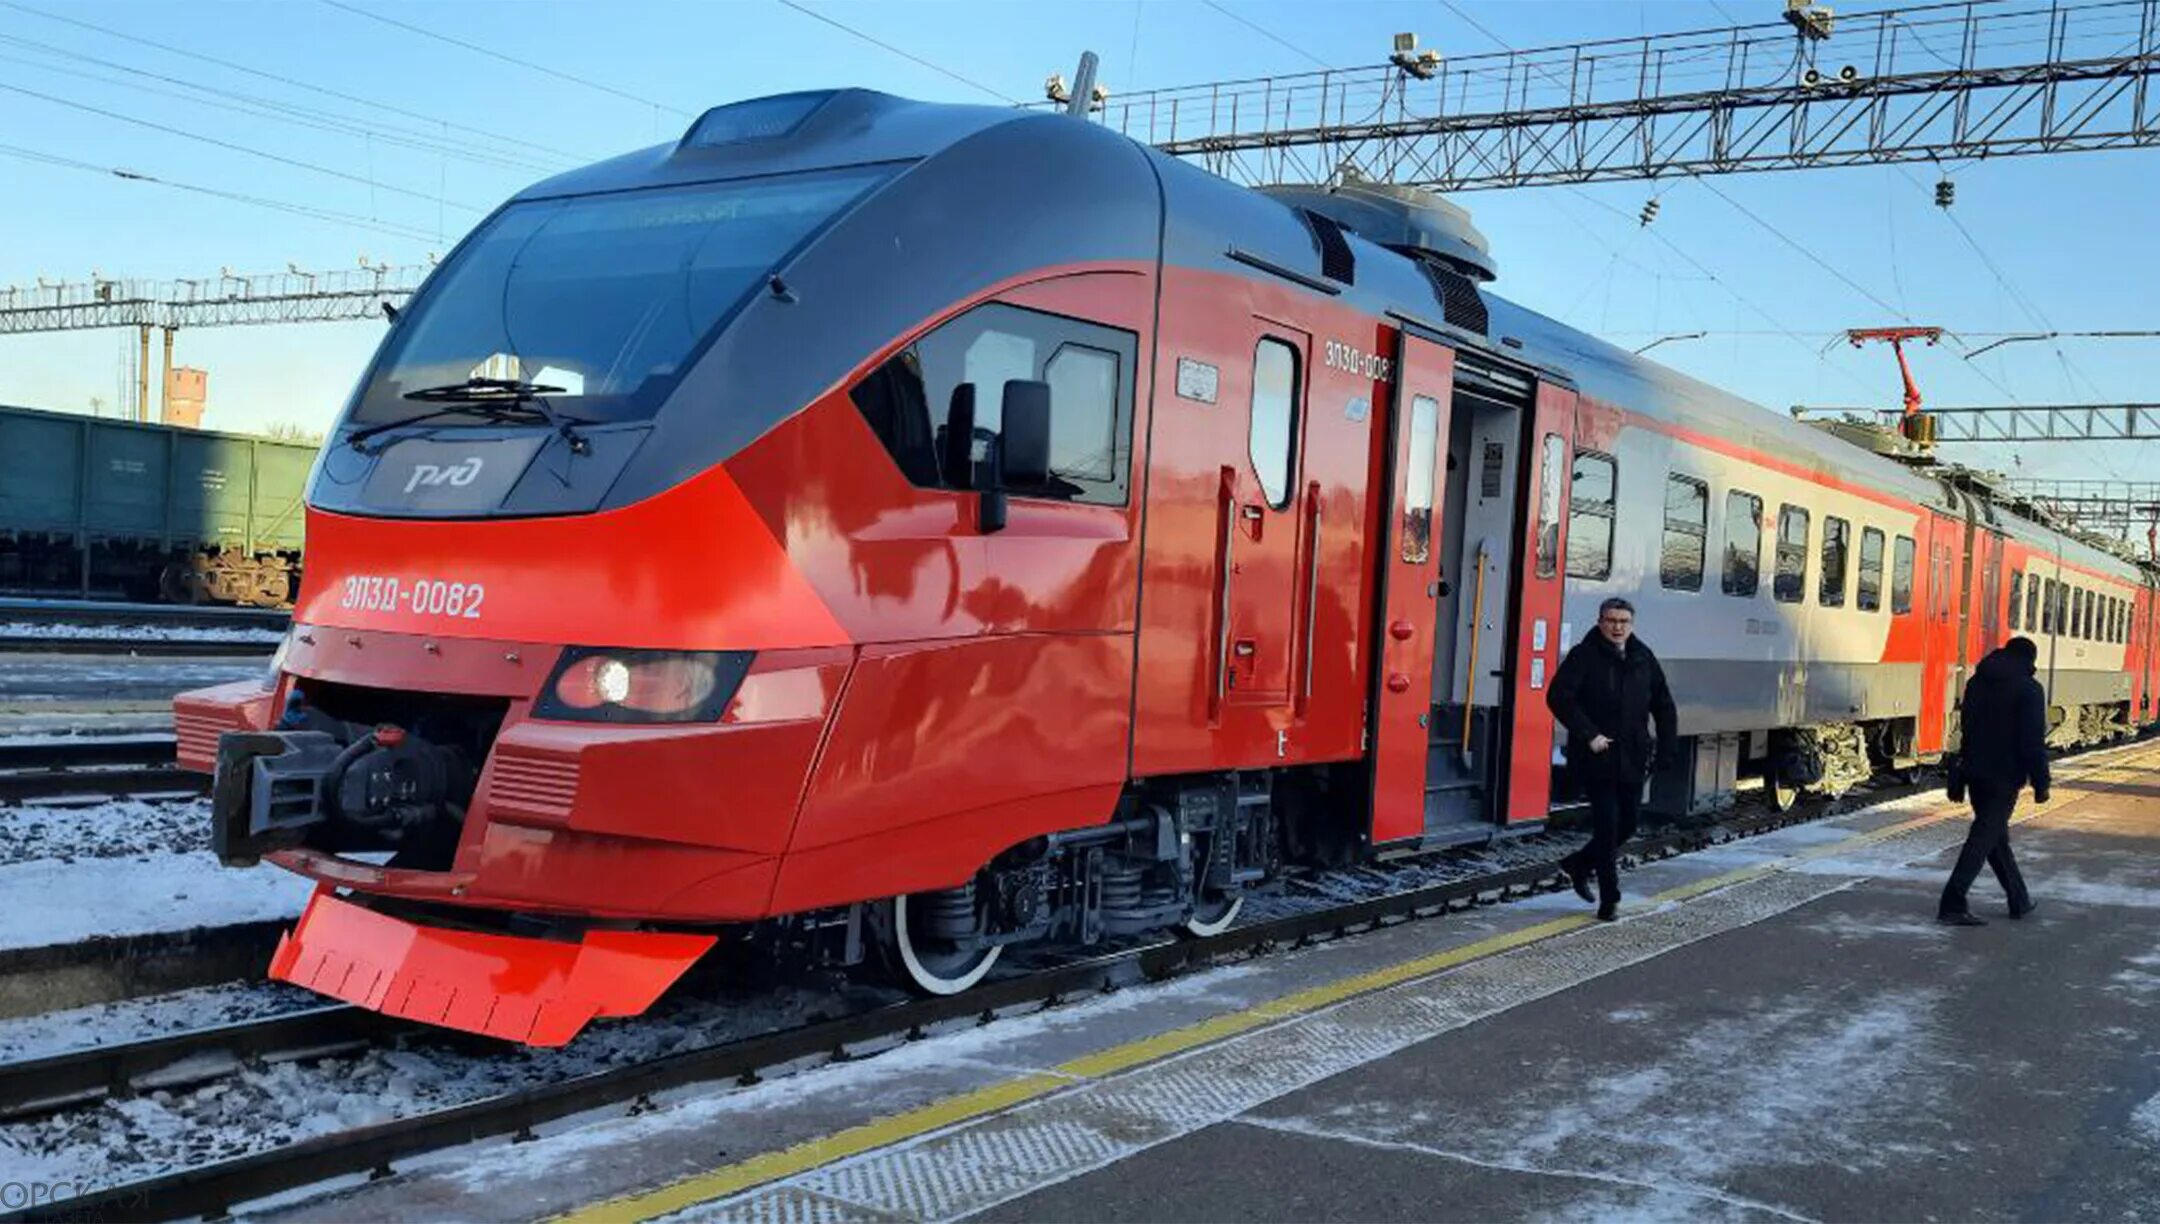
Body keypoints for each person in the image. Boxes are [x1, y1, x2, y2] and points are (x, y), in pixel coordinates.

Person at [1546, 597, 1678, 920]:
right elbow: (1559, 697)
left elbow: (1664, 705)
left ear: (1631, 624)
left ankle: (1578, 863)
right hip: (1598, 757)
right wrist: (1589, 733)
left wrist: (1667, 749)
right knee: (1608, 827)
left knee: (1629, 823)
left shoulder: (1643, 657)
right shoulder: (1584, 655)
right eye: (1611, 621)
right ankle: (1610, 900)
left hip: (1633, 756)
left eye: (1623, 621)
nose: (1617, 627)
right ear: (1600, 622)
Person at [1938, 635, 2047, 926]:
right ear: (2029, 661)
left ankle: (2019, 899)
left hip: (1975, 772)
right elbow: (2032, 743)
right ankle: (1952, 901)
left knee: (1994, 836)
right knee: (1984, 835)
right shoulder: (2029, 689)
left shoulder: (1976, 682)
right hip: (2004, 775)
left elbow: (1967, 728)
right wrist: (2041, 782)